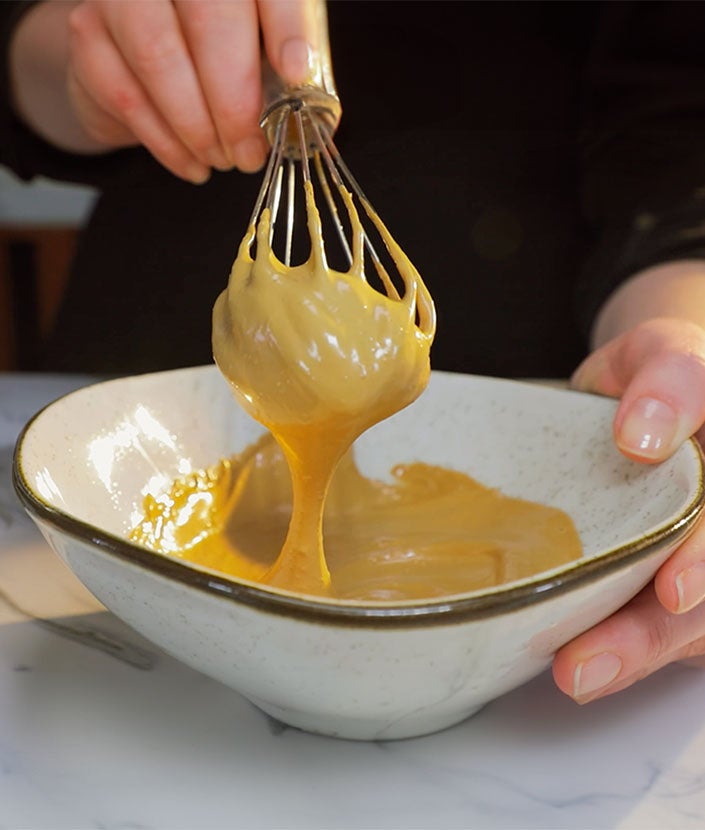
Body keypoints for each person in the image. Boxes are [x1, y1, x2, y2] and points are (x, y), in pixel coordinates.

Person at [3, 0, 705, 706]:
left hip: (556, 372)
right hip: (131, 365)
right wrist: (79, 59)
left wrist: (676, 356)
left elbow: (676, 133)